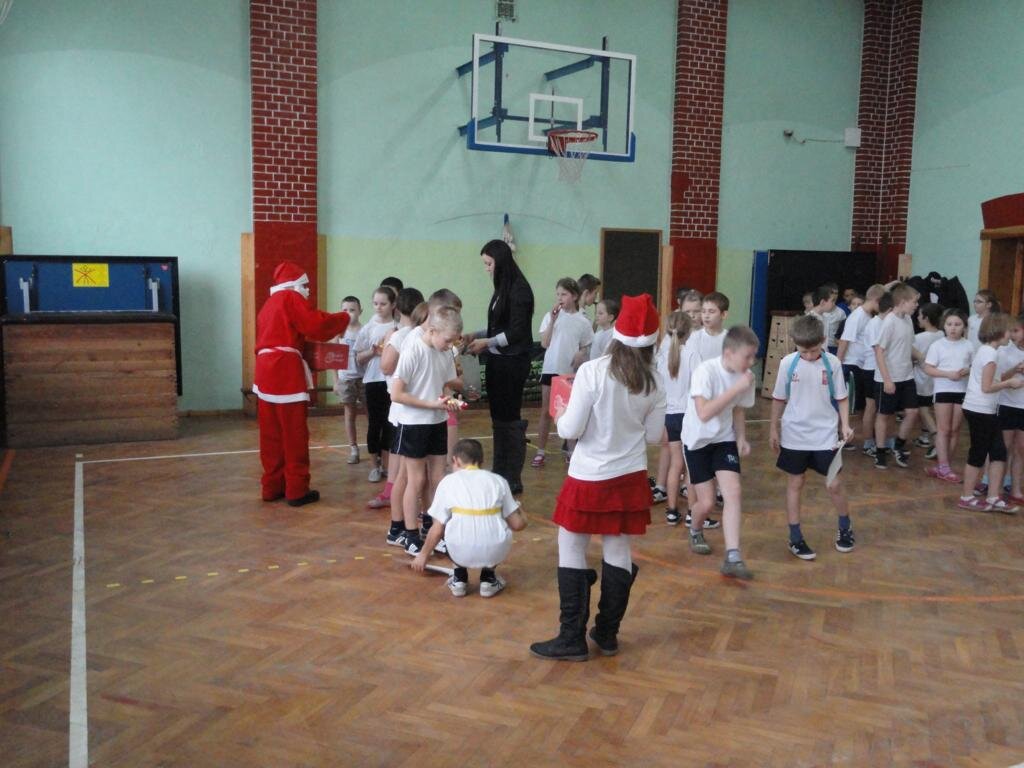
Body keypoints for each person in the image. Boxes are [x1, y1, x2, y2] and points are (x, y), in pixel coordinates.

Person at [530, 294, 666, 661]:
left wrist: (560, 412)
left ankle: (571, 637)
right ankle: (607, 633)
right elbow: (655, 436)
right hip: (630, 475)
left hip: (589, 475)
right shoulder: (655, 380)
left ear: (617, 332)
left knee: (571, 545)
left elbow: (569, 430)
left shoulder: (593, 371)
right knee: (618, 549)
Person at [253, 261, 350, 506]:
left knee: (271, 434)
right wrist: (343, 318)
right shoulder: (290, 298)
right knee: (293, 432)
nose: (307, 290)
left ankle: (271, 486)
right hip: (285, 371)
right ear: (294, 285)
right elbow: (315, 325)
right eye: (304, 285)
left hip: (264, 370)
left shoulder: (268, 305)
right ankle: (296, 489)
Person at [770, 315, 855, 561]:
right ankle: (795, 537)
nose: (808, 356)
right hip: (794, 434)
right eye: (803, 351)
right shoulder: (787, 363)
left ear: (823, 341)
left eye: (814, 350)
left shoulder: (833, 363)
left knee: (834, 484)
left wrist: (845, 425)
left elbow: (841, 398)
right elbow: (778, 398)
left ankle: (845, 526)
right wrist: (773, 428)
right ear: (794, 344)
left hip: (825, 434)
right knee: (795, 483)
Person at [682, 325, 758, 579]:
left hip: (724, 439)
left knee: (733, 492)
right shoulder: (705, 372)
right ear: (729, 354)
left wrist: (741, 437)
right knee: (706, 503)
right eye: (747, 357)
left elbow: (738, 409)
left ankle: (733, 556)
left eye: (753, 357)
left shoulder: (746, 376)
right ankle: (695, 529)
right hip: (697, 441)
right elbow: (704, 413)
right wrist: (736, 388)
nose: (751, 362)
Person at [389, 306, 464, 554]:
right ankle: (411, 534)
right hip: (413, 423)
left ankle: (432, 530)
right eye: (447, 340)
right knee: (416, 479)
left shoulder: (445, 352)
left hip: (437, 421)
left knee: (437, 479)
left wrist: (448, 401)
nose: (450, 345)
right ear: (432, 330)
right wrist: (431, 404)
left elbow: (442, 385)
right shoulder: (413, 350)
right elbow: (396, 394)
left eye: (453, 341)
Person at [412, 439, 528, 597]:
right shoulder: (498, 481)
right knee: (498, 521)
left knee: (447, 521)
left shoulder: (447, 482)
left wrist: (423, 555)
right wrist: (519, 507)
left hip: (459, 550)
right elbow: (518, 524)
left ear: (455, 460)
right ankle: (489, 579)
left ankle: (459, 578)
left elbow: (437, 529)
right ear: (482, 461)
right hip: (494, 550)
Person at [465, 240, 535, 494]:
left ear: (501, 262)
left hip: (513, 363)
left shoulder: (520, 290)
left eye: (489, 264)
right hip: (498, 361)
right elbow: (498, 326)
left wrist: (487, 342)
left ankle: (512, 476)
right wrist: (476, 335)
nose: (486, 269)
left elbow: (517, 332)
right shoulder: (502, 288)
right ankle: (500, 470)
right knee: (498, 419)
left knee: (509, 419)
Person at [957, 313, 1021, 513]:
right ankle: (966, 496)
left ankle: (994, 497)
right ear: (999, 331)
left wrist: (1012, 374)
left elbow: (994, 378)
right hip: (980, 409)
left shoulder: (989, 352)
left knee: (999, 452)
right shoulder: (990, 354)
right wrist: (1009, 384)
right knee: (978, 453)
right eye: (1009, 331)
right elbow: (987, 387)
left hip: (985, 409)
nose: (1011, 335)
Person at [532, 278, 594, 468]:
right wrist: (552, 321)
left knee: (569, 411)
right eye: (558, 294)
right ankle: (540, 451)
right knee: (546, 411)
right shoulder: (550, 317)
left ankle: (571, 451)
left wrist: (581, 353)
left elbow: (586, 346)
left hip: (569, 373)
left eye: (564, 294)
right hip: (550, 369)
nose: (560, 298)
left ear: (574, 296)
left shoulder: (583, 321)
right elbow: (545, 343)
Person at [374, 288, 425, 513]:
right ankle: (412, 496)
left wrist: (387, 343)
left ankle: (396, 495)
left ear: (397, 308)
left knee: (400, 450)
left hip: (402, 400)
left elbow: (386, 367)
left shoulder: (400, 335)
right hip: (419, 399)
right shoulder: (423, 333)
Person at [655, 311, 698, 527]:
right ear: (688, 332)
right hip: (688, 416)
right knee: (690, 466)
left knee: (675, 463)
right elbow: (699, 387)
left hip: (669, 416)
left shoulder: (661, 356)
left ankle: (672, 511)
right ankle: (691, 512)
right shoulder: (692, 354)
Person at [873, 283, 920, 470]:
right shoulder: (889, 322)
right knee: (884, 415)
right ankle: (880, 451)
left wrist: (923, 359)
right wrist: (887, 379)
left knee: (913, 412)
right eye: (914, 301)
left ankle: (898, 445)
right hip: (888, 377)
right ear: (902, 302)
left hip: (906, 376)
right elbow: (879, 352)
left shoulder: (908, 319)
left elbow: (909, 346)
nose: (916, 305)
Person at [923, 308, 972, 483]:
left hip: (961, 391)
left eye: (957, 324)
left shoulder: (968, 345)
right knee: (943, 429)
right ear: (944, 326)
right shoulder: (937, 345)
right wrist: (947, 374)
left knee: (955, 429)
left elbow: (974, 366)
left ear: (964, 327)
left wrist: (967, 370)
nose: (953, 328)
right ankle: (943, 465)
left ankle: (945, 465)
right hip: (943, 390)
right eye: (949, 324)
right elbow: (928, 368)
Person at [355, 286, 398, 483]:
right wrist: (373, 352)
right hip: (372, 381)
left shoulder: (397, 327)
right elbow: (358, 358)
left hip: (391, 381)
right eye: (375, 304)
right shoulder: (368, 328)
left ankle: (387, 465)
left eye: (383, 304)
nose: (379, 307)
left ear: (393, 304)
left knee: (389, 424)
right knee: (374, 424)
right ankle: (374, 466)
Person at [838, 283, 884, 424]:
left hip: (861, 365)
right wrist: (837, 364)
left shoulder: (868, 315)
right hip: (852, 365)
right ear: (876, 300)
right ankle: (842, 432)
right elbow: (844, 340)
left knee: (861, 406)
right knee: (850, 406)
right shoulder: (857, 316)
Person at [859, 291, 893, 456]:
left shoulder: (887, 322)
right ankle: (868, 443)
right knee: (871, 407)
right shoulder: (874, 324)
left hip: (882, 369)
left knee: (885, 409)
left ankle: (885, 440)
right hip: (872, 369)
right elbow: (878, 350)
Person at [331, 296, 363, 465]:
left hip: (364, 378)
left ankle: (377, 449)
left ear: (360, 311)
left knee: (371, 413)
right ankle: (353, 448)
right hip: (345, 379)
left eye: (352, 310)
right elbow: (333, 358)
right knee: (350, 413)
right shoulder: (339, 333)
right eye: (345, 310)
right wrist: (336, 380)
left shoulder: (365, 331)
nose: (349, 313)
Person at [998, 313, 1024, 505]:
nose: (1012, 335)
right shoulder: (1004, 351)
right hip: (1006, 404)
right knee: (1003, 448)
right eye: (1011, 331)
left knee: (1020, 450)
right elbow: (998, 378)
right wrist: (1015, 370)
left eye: (1016, 330)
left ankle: (1016, 489)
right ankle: (996, 488)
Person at [912, 303, 945, 455]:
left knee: (923, 410)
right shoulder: (942, 335)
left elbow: (912, 357)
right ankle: (925, 437)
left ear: (926, 318)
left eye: (920, 315)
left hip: (922, 379)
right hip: (936, 379)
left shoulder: (919, 338)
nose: (918, 317)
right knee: (928, 408)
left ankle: (937, 440)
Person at [690, 291, 730, 362]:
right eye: (703, 311)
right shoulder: (694, 338)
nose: (706, 316)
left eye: (711, 312)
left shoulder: (731, 340)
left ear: (724, 315)